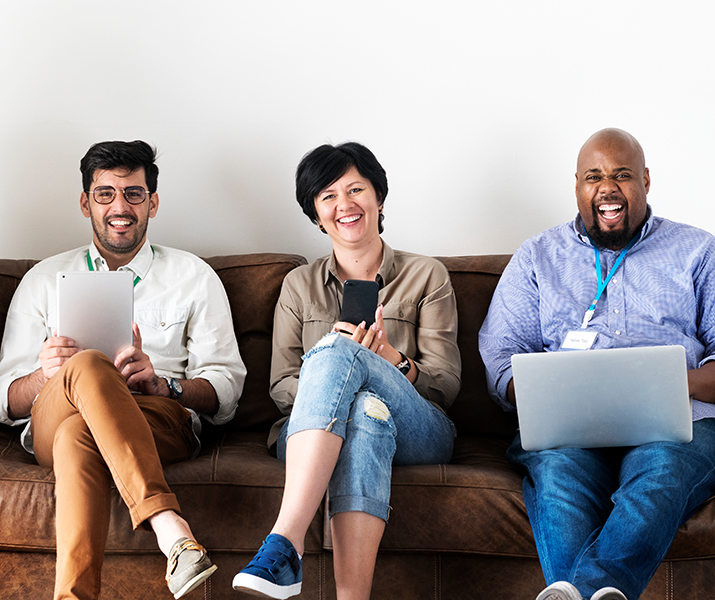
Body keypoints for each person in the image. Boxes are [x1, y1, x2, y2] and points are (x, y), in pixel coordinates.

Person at [0, 141, 247, 600]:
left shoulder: (194, 277)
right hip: (51, 419)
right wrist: (45, 374)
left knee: (81, 435)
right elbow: (4, 400)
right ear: (85, 203)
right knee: (88, 365)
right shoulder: (42, 280)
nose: (120, 207)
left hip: (156, 417)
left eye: (133, 194)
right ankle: (169, 528)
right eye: (105, 194)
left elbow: (226, 390)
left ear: (152, 202)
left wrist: (163, 384)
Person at [479, 128, 715, 600]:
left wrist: (667, 382)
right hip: (567, 429)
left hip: (675, 423)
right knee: (559, 483)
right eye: (594, 177)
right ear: (577, 186)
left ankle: (580, 591)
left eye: (622, 175)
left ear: (645, 180)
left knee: (661, 475)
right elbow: (500, 361)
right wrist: (553, 390)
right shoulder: (537, 257)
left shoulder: (698, 251)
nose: (607, 188)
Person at [232, 142, 461, 600]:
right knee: (364, 414)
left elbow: (446, 386)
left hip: (419, 427)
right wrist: (345, 381)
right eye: (328, 196)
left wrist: (389, 360)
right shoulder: (298, 286)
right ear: (316, 215)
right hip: (318, 428)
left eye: (356, 189)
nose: (345, 205)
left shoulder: (426, 276)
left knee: (341, 352)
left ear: (379, 198)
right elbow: (281, 386)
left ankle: (284, 541)